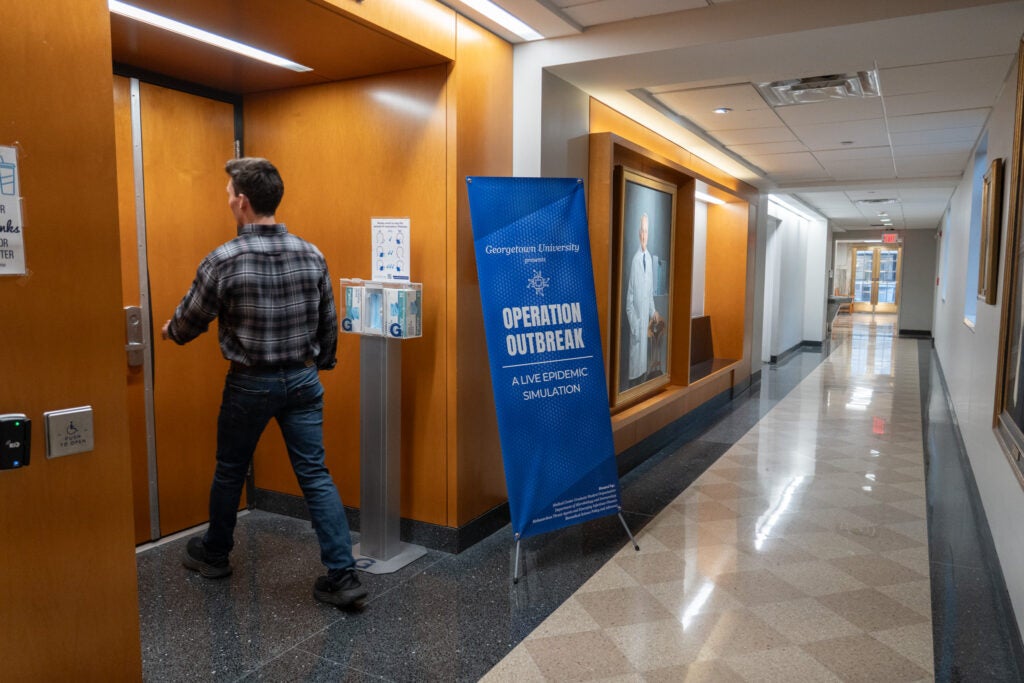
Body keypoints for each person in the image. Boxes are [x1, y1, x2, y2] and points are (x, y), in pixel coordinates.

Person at [161, 157, 366, 609]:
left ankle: (215, 555)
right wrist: (319, 365)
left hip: (249, 385)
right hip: (303, 380)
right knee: (315, 474)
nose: (227, 202)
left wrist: (169, 331)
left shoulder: (223, 259)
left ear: (243, 202)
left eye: (228, 196)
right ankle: (343, 576)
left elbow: (188, 323)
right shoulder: (311, 253)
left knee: (230, 470)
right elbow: (328, 323)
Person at [625, 212, 663, 386]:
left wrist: (653, 311)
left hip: (644, 327)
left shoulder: (648, 258)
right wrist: (635, 326)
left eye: (646, 231)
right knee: (634, 375)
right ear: (638, 233)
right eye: (641, 231)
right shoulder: (635, 261)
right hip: (637, 327)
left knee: (643, 372)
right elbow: (629, 302)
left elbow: (649, 295)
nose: (643, 235)